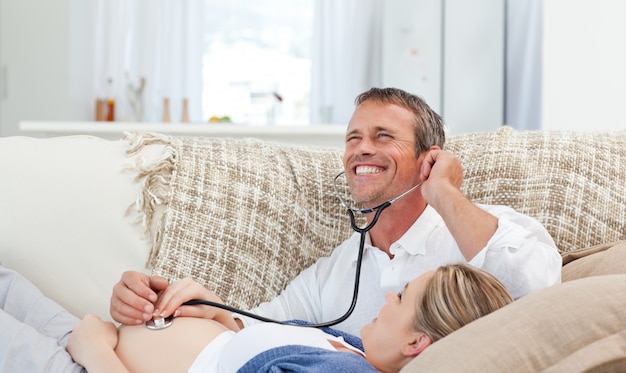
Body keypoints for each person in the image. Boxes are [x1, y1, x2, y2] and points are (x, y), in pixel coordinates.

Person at [110, 87, 561, 336]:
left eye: (383, 136)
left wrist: (442, 191)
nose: (362, 148)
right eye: (353, 138)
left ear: (429, 158)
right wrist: (184, 301)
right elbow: (256, 326)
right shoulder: (340, 268)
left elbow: (535, 291)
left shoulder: (486, 229)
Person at [67, 263, 514, 372]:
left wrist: (98, 353)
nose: (386, 298)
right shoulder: (350, 348)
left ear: (417, 344)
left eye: (401, 297)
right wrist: (214, 310)